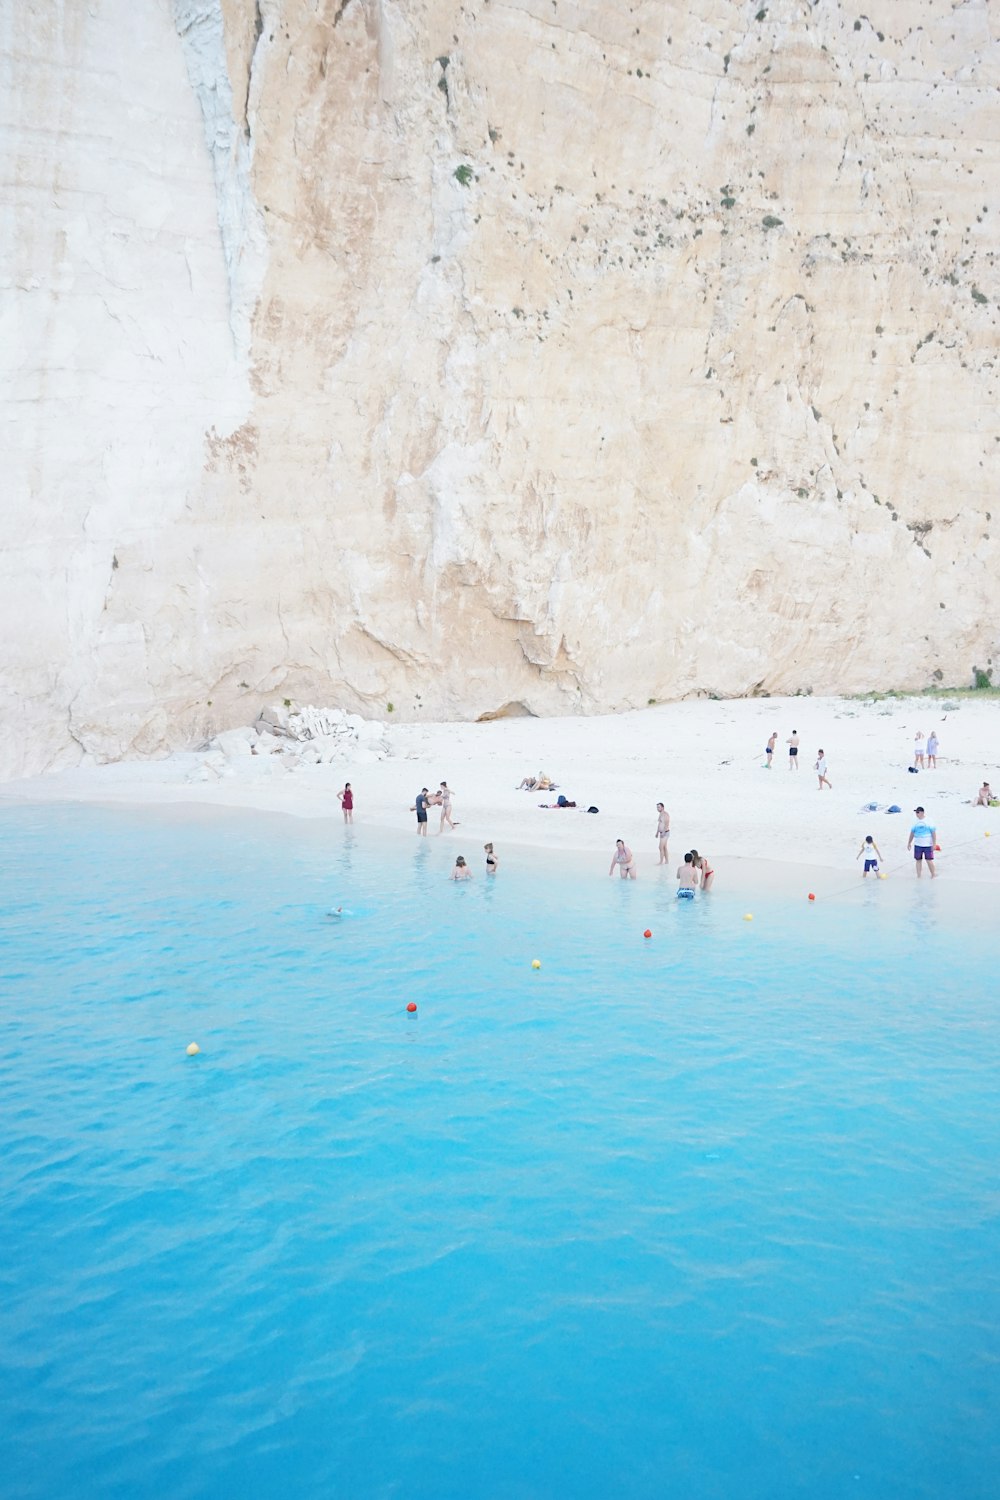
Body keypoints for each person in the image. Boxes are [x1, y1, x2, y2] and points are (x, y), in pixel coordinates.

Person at [907, 806, 937, 878]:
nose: (916, 814)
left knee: (929, 860)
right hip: (918, 844)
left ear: (922, 812)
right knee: (918, 860)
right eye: (916, 812)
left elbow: (933, 832)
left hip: (927, 844)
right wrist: (909, 842)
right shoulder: (914, 821)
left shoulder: (929, 820)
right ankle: (919, 876)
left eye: (918, 812)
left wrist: (934, 844)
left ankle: (933, 874)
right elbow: (912, 833)